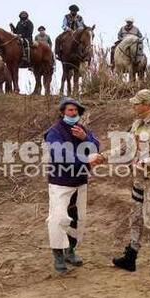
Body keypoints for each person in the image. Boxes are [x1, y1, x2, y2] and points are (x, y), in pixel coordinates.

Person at [89, 89, 150, 277]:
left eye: (137, 103)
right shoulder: (136, 124)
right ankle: (131, 257)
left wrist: (145, 162)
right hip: (138, 179)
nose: (133, 105)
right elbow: (125, 147)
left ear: (147, 104)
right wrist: (102, 157)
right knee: (135, 217)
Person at [44, 97, 100, 274]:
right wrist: (86, 161)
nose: (73, 113)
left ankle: (70, 250)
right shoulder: (54, 132)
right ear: (62, 112)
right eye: (69, 110)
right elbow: (60, 154)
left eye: (75, 110)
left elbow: (95, 146)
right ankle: (58, 255)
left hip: (80, 182)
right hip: (61, 182)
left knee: (77, 218)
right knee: (58, 218)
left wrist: (85, 139)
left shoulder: (82, 129)